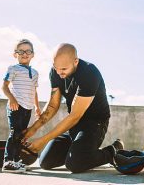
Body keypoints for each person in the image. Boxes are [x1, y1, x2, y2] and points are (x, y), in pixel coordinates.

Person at [22, 43, 124, 173]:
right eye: (56, 68)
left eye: (63, 69)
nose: (59, 73)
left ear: (75, 61)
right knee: (46, 162)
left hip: (95, 123)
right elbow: (53, 105)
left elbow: (75, 115)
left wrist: (43, 140)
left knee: (75, 164)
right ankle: (79, 150)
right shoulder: (56, 72)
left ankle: (113, 150)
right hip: (73, 125)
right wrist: (33, 128)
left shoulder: (89, 73)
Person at [2, 39, 41, 173]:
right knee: (15, 133)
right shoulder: (13, 69)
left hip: (28, 108)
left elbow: (34, 91)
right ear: (15, 54)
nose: (25, 54)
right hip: (16, 106)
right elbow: (4, 87)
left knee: (22, 135)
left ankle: (17, 161)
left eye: (28, 51)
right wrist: (12, 99)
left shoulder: (35, 73)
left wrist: (37, 107)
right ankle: (8, 162)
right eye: (21, 51)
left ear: (33, 54)